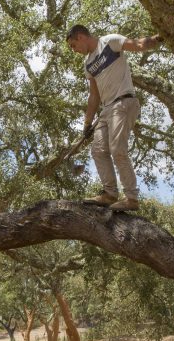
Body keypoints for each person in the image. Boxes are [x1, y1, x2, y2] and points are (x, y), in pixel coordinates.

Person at [65, 25, 162, 211]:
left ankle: (131, 198)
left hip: (124, 102)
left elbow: (139, 45)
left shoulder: (110, 42)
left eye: (73, 45)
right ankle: (110, 194)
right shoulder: (88, 64)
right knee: (98, 150)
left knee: (117, 149)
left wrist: (160, 37)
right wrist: (87, 123)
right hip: (106, 109)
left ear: (81, 37)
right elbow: (94, 96)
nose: (73, 50)